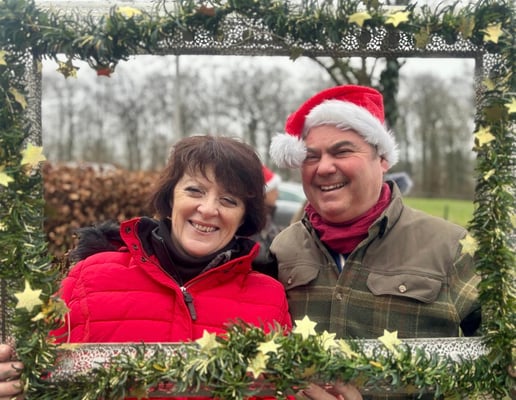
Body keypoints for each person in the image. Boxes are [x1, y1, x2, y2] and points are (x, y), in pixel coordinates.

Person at [0, 135, 292, 399]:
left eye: (228, 200)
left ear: (244, 217)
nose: (208, 209)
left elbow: (284, 391)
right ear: (170, 198)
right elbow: (38, 376)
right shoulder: (90, 278)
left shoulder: (268, 298)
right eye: (195, 190)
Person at [268, 84, 481, 399]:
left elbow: (503, 366)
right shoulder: (282, 249)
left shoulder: (451, 247)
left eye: (342, 151)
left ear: (382, 158)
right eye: (311, 156)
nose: (324, 167)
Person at [251, 165, 283, 277]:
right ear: (264, 192)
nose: (277, 194)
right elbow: (260, 256)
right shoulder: (255, 220)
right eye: (274, 189)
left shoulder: (265, 216)